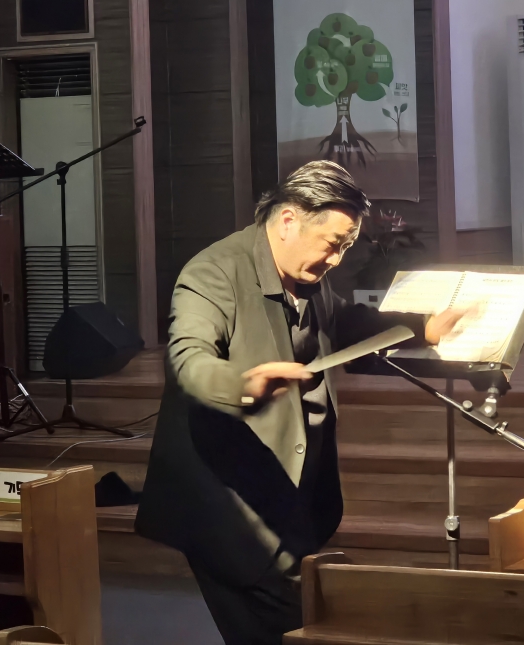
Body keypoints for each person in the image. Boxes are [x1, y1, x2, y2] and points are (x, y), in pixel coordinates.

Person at [135, 161, 464, 644]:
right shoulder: (212, 273)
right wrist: (244, 384)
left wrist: (422, 328)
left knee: (304, 623)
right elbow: (189, 360)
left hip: (291, 497)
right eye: (334, 243)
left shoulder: (306, 274)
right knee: (285, 627)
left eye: (346, 246)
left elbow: (346, 322)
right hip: (231, 506)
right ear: (289, 219)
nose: (337, 259)